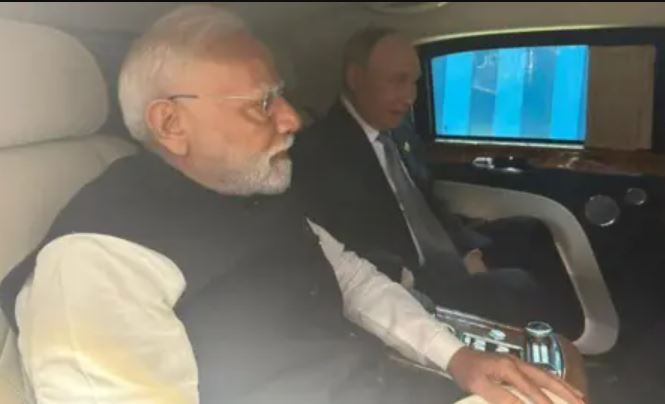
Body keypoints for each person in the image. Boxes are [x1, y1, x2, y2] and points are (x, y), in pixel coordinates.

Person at [0, 6, 584, 404]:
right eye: (262, 103)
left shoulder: (247, 188)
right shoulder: (95, 259)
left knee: (554, 378)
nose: (291, 120)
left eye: (281, 97)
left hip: (380, 381)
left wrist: (456, 358)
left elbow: (351, 276)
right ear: (171, 123)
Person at [291, 27, 582, 335]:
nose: (409, 97)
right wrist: (420, 278)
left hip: (442, 252)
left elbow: (427, 201)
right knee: (516, 286)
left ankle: (574, 337)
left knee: (532, 231)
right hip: (410, 279)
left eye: (414, 83)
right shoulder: (317, 151)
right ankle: (551, 351)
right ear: (355, 78)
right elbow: (338, 244)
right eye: (397, 80)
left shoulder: (399, 132)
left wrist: (467, 251)